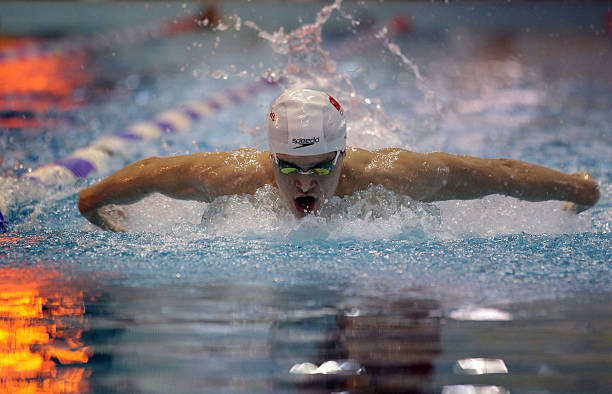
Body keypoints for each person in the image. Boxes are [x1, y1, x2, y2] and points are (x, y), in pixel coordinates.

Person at [79, 88, 599, 232]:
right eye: (289, 167)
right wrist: (94, 204)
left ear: (343, 155)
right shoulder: (232, 178)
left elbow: (495, 175)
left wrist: (579, 189)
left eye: (321, 166)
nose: (305, 182)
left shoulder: (394, 176)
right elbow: (148, 173)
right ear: (270, 158)